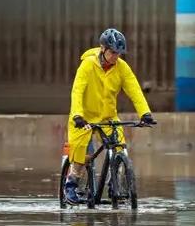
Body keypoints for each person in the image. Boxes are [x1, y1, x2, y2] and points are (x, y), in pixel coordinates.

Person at [64, 28, 157, 204]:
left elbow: (134, 90)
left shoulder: (122, 68)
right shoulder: (88, 65)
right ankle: (71, 185)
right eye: (113, 52)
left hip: (108, 117)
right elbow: (77, 91)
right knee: (81, 154)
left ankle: (115, 184)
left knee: (121, 148)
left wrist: (145, 113)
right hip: (83, 118)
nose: (116, 57)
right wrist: (77, 115)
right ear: (102, 48)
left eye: (119, 53)